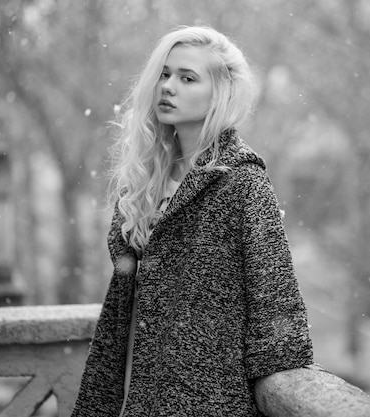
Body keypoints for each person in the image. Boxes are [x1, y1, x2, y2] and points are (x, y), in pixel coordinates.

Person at [71, 25, 313, 417]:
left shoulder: (242, 181)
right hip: (133, 388)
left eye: (187, 78)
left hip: (205, 398)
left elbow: (276, 299)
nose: (168, 87)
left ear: (220, 93)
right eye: (165, 74)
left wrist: (284, 386)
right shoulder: (146, 179)